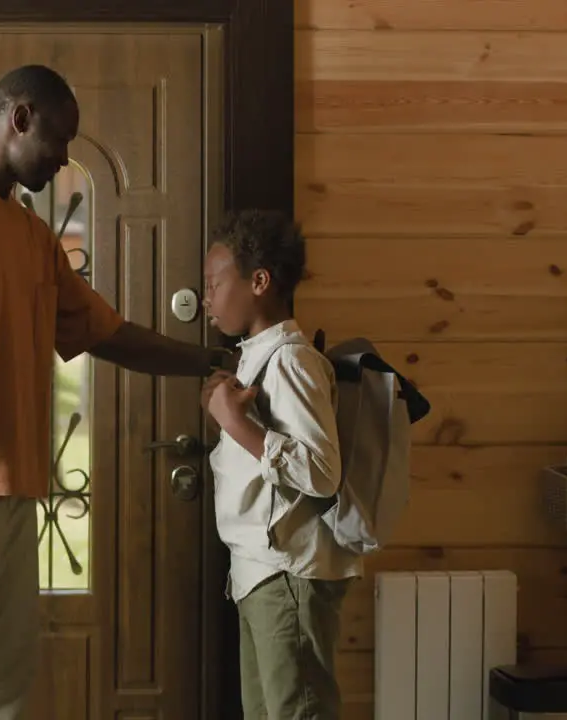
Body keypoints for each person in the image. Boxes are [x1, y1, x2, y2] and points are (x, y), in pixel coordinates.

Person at [0, 63, 236, 719]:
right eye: (59, 141)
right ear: (20, 118)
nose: (63, 159)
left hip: (10, 491)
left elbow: (108, 333)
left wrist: (216, 359)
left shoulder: (31, 234)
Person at [200, 210, 361, 720]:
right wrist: (228, 421)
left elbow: (321, 472)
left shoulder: (292, 360)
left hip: (288, 573)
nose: (206, 297)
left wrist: (237, 424)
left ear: (260, 282)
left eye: (214, 283)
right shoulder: (255, 357)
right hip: (260, 574)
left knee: (298, 712)